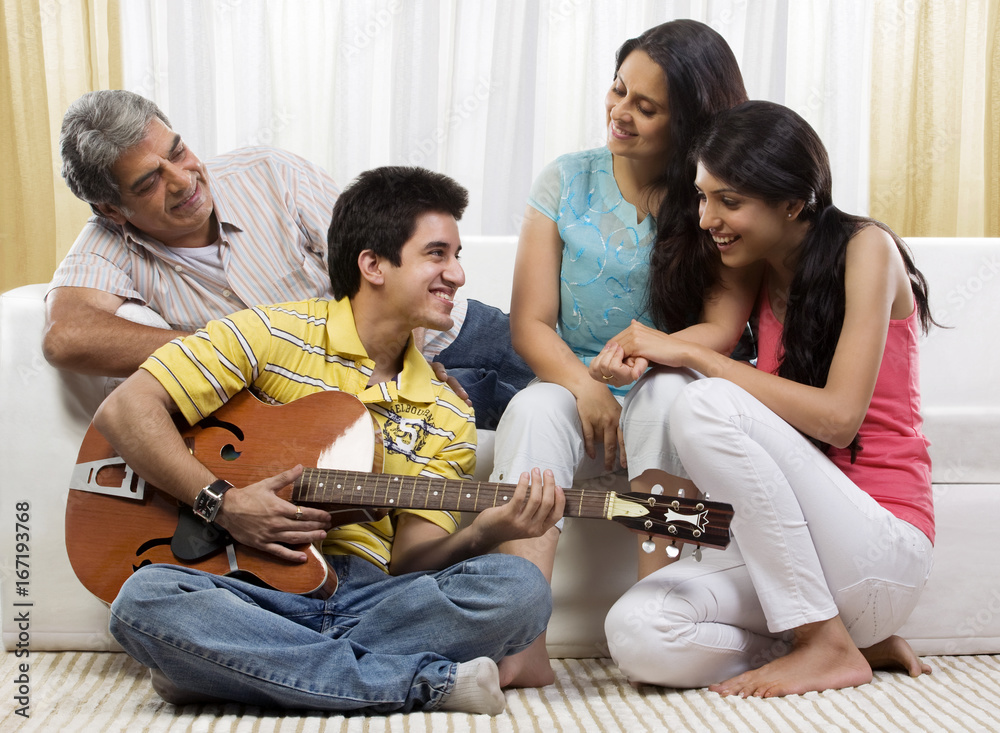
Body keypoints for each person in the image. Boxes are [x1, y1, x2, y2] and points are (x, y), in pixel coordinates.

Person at [94, 166, 565, 714]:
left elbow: (413, 561)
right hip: (242, 588)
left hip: (367, 595)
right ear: (373, 265)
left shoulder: (447, 409)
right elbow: (126, 409)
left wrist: (486, 531)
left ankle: (231, 669)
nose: (458, 275)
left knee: (520, 590)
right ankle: (420, 684)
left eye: (457, 255)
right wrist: (224, 505)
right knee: (145, 601)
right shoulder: (270, 334)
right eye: (438, 254)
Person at [600, 100, 936, 698]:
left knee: (703, 403)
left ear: (793, 202)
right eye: (704, 197)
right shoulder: (753, 263)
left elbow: (838, 420)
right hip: (802, 563)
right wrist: (642, 353)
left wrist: (700, 359)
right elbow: (713, 343)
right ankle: (844, 643)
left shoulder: (867, 250)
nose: (708, 218)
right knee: (636, 632)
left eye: (729, 201)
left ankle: (823, 643)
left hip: (881, 546)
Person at [488, 19, 756, 686]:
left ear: (689, 121)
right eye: (617, 92)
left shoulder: (714, 198)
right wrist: (585, 384)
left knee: (666, 394)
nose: (620, 114)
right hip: (575, 382)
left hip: (667, 383)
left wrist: (646, 354)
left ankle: (659, 617)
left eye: (646, 106)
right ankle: (521, 640)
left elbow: (722, 328)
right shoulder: (565, 181)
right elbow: (531, 322)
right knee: (531, 407)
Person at [43, 89, 531, 425]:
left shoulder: (269, 173)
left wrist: (406, 361)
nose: (184, 179)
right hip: (354, 398)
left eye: (179, 151)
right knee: (549, 429)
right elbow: (66, 337)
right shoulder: (109, 242)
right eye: (149, 181)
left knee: (588, 387)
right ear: (112, 209)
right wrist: (235, 349)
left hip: (448, 333)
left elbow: (385, 259)